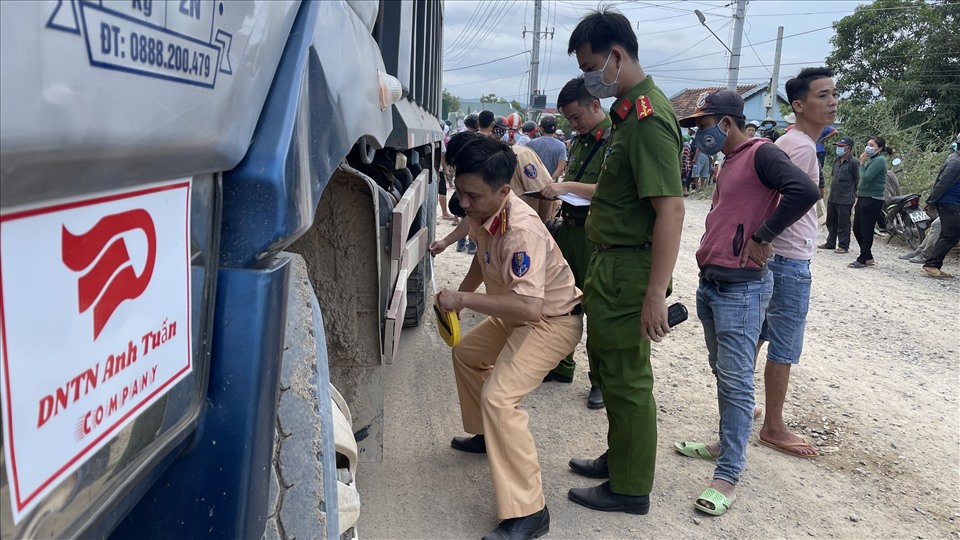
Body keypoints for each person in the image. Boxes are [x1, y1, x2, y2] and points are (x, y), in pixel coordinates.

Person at [674, 89, 819, 516]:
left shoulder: (761, 153)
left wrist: (762, 236)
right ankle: (725, 441)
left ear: (725, 123)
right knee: (725, 373)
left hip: (741, 289)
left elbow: (804, 191)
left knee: (737, 384)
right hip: (713, 284)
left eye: (702, 126)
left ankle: (728, 473)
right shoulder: (730, 161)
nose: (699, 135)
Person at [565, 9, 685, 516]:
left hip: (631, 270)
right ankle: (620, 459)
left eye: (593, 66)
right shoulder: (627, 116)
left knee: (629, 379)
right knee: (611, 371)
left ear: (616, 56)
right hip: (611, 264)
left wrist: (655, 293)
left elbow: (671, 210)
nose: (592, 77)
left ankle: (630, 488)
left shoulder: (648, 118)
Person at [439, 131, 583, 540]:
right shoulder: (485, 212)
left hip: (549, 322)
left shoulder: (522, 232)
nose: (463, 204)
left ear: (504, 191)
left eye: (472, 196)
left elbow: (530, 307)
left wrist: (464, 298)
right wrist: (464, 297)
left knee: (499, 397)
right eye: (459, 191)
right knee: (466, 354)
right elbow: (483, 264)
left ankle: (530, 512)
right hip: (514, 312)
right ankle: (487, 435)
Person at [755, 67, 837, 462]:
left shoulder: (790, 141)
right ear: (800, 105)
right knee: (784, 343)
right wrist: (768, 238)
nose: (832, 102)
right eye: (822, 96)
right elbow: (787, 199)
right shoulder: (801, 146)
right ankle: (773, 425)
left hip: (778, 256)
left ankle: (744, 406)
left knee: (759, 334)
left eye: (834, 94)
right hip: (789, 258)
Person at [541, 76, 613, 409]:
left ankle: (599, 381)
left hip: (593, 235)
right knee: (561, 303)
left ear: (595, 105)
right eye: (568, 119)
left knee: (596, 309)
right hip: (568, 230)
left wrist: (566, 186)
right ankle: (561, 364)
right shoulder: (581, 140)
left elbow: (611, 190)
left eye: (576, 117)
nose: (573, 124)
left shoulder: (616, 137)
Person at [921, 133, 960, 278]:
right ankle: (931, 264)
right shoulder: (955, 162)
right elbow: (942, 183)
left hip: (951, 202)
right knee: (951, 234)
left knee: (949, 233)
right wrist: (931, 201)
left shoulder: (956, 159)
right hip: (948, 202)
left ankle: (932, 263)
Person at [849, 136, 890, 268]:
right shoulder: (872, 160)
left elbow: (865, 178)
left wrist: (861, 163)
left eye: (872, 145)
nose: (868, 147)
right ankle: (868, 256)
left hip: (872, 198)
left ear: (880, 148)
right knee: (857, 228)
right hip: (863, 197)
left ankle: (862, 259)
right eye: (868, 144)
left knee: (866, 230)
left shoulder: (879, 161)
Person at [820, 136, 858, 253]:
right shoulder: (836, 161)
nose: (839, 148)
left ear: (849, 148)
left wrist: (854, 194)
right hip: (833, 196)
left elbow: (857, 179)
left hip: (845, 197)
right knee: (831, 221)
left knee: (843, 222)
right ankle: (830, 242)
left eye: (841, 147)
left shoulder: (853, 162)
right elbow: (833, 177)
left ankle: (843, 245)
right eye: (838, 146)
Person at [526, 115, 568, 181]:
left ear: (542, 129)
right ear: (555, 129)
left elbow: (526, 163)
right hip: (552, 186)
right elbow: (561, 168)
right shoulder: (561, 146)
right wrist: (550, 181)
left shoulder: (530, 143)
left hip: (533, 182)